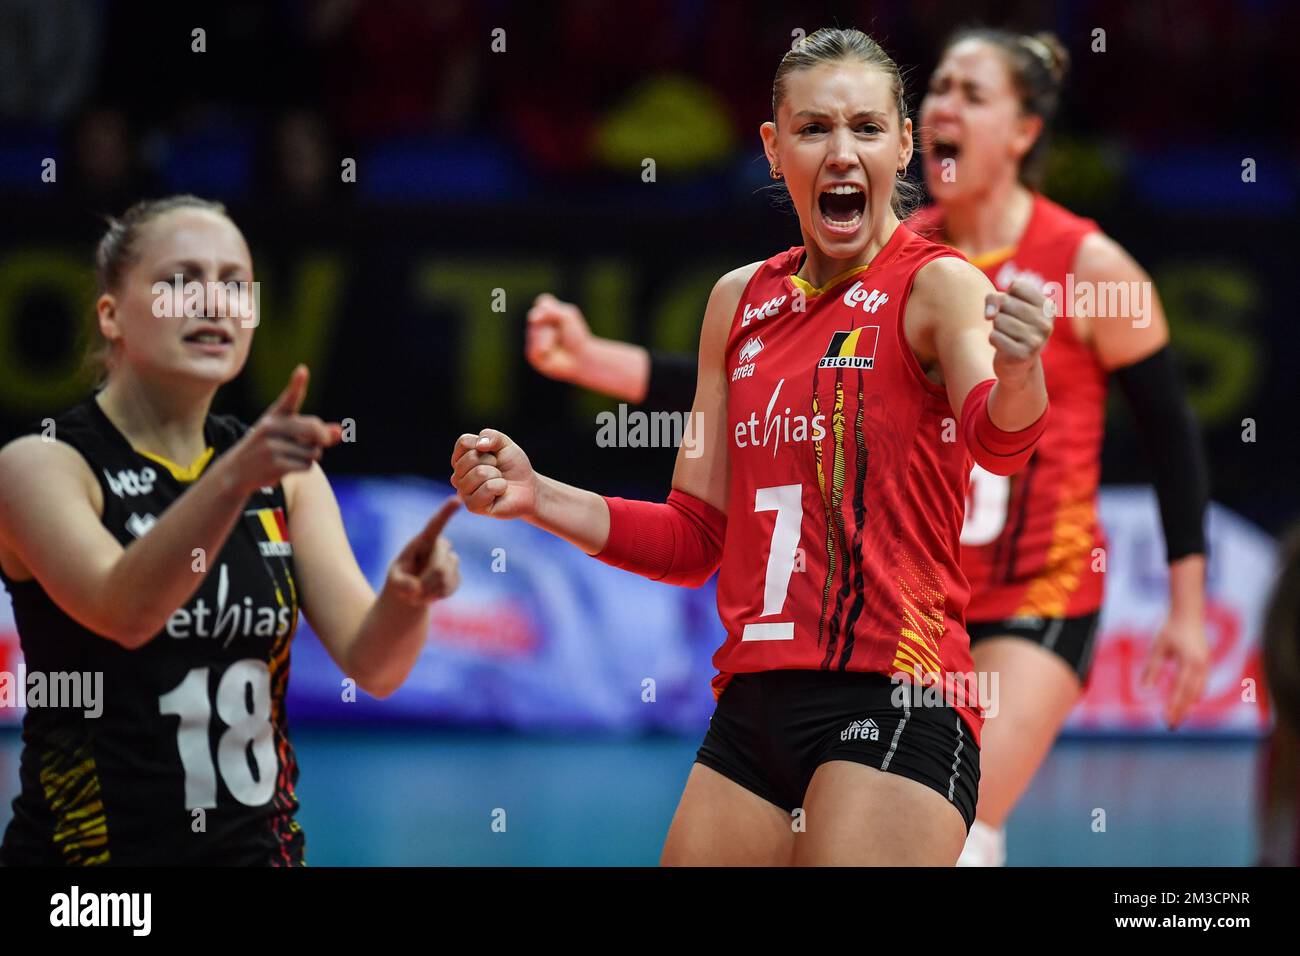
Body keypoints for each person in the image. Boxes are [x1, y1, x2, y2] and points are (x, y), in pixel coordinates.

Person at [524, 27, 1212, 867]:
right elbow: (694, 536)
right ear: (773, 151)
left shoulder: (945, 281)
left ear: (903, 145)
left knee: (977, 841)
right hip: (750, 713)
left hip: (916, 678)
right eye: (813, 130)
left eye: (866, 128)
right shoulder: (737, 301)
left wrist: (1023, 368)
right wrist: (536, 494)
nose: (842, 152)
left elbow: (1002, 435)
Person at [0, 196, 461, 865]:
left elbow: (375, 665)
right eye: (181, 281)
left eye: (235, 285)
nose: (214, 302)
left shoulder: (288, 480)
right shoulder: (41, 466)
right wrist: (232, 479)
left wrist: (406, 601)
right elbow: (124, 610)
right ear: (111, 314)